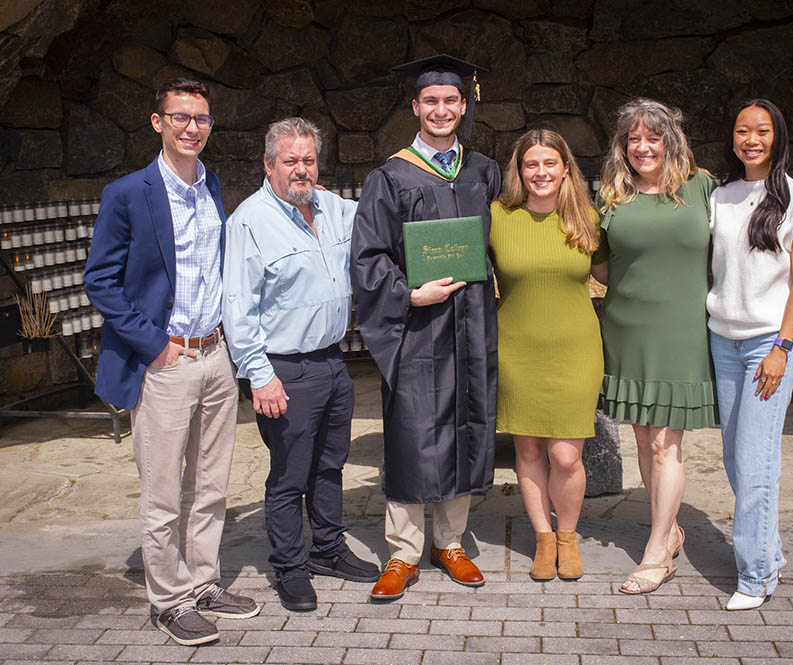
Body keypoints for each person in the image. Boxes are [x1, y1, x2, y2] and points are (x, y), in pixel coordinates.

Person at [84, 78, 257, 646]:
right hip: (166, 361)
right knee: (162, 493)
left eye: (201, 118)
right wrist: (153, 345)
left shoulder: (212, 187)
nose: (192, 127)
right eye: (180, 117)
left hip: (216, 356)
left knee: (210, 487)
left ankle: (203, 581)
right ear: (157, 122)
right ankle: (168, 600)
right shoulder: (127, 193)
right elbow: (100, 282)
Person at [351, 54, 501, 601]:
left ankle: (451, 542)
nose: (441, 110)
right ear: (415, 106)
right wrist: (410, 294)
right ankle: (402, 551)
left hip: (472, 323)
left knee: (465, 422)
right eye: (430, 101)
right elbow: (367, 258)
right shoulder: (390, 176)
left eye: (451, 101)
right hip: (418, 325)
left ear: (464, 105)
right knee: (413, 432)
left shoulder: (484, 171)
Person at [221, 117, 380, 612]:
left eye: (308, 159)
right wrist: (259, 374)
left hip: (333, 363)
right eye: (290, 161)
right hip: (283, 370)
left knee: (330, 466)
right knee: (290, 476)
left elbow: (385, 216)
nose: (301, 169)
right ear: (268, 165)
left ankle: (328, 551)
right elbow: (237, 307)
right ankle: (289, 568)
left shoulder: (334, 208)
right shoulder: (248, 221)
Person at [596, 98, 717, 594]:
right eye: (633, 139)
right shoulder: (612, 198)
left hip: (682, 331)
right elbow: (601, 268)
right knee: (645, 437)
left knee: (667, 440)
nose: (642, 147)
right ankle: (667, 532)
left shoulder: (703, 187)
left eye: (652, 137)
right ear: (623, 147)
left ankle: (656, 551)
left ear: (671, 139)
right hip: (628, 328)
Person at [707, 99, 793, 611]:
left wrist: (781, 346)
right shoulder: (722, 196)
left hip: (766, 346)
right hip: (722, 340)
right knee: (738, 457)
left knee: (755, 462)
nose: (751, 139)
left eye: (762, 131)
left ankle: (754, 577)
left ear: (778, 137)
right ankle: (770, 552)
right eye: (742, 131)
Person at [488, 129, 604, 581]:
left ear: (566, 167)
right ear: (519, 170)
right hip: (517, 347)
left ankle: (569, 536)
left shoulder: (586, 218)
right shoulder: (498, 216)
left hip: (575, 348)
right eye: (531, 164)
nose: (540, 172)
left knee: (566, 455)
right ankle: (543, 538)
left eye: (549, 164)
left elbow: (620, 272)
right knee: (530, 448)